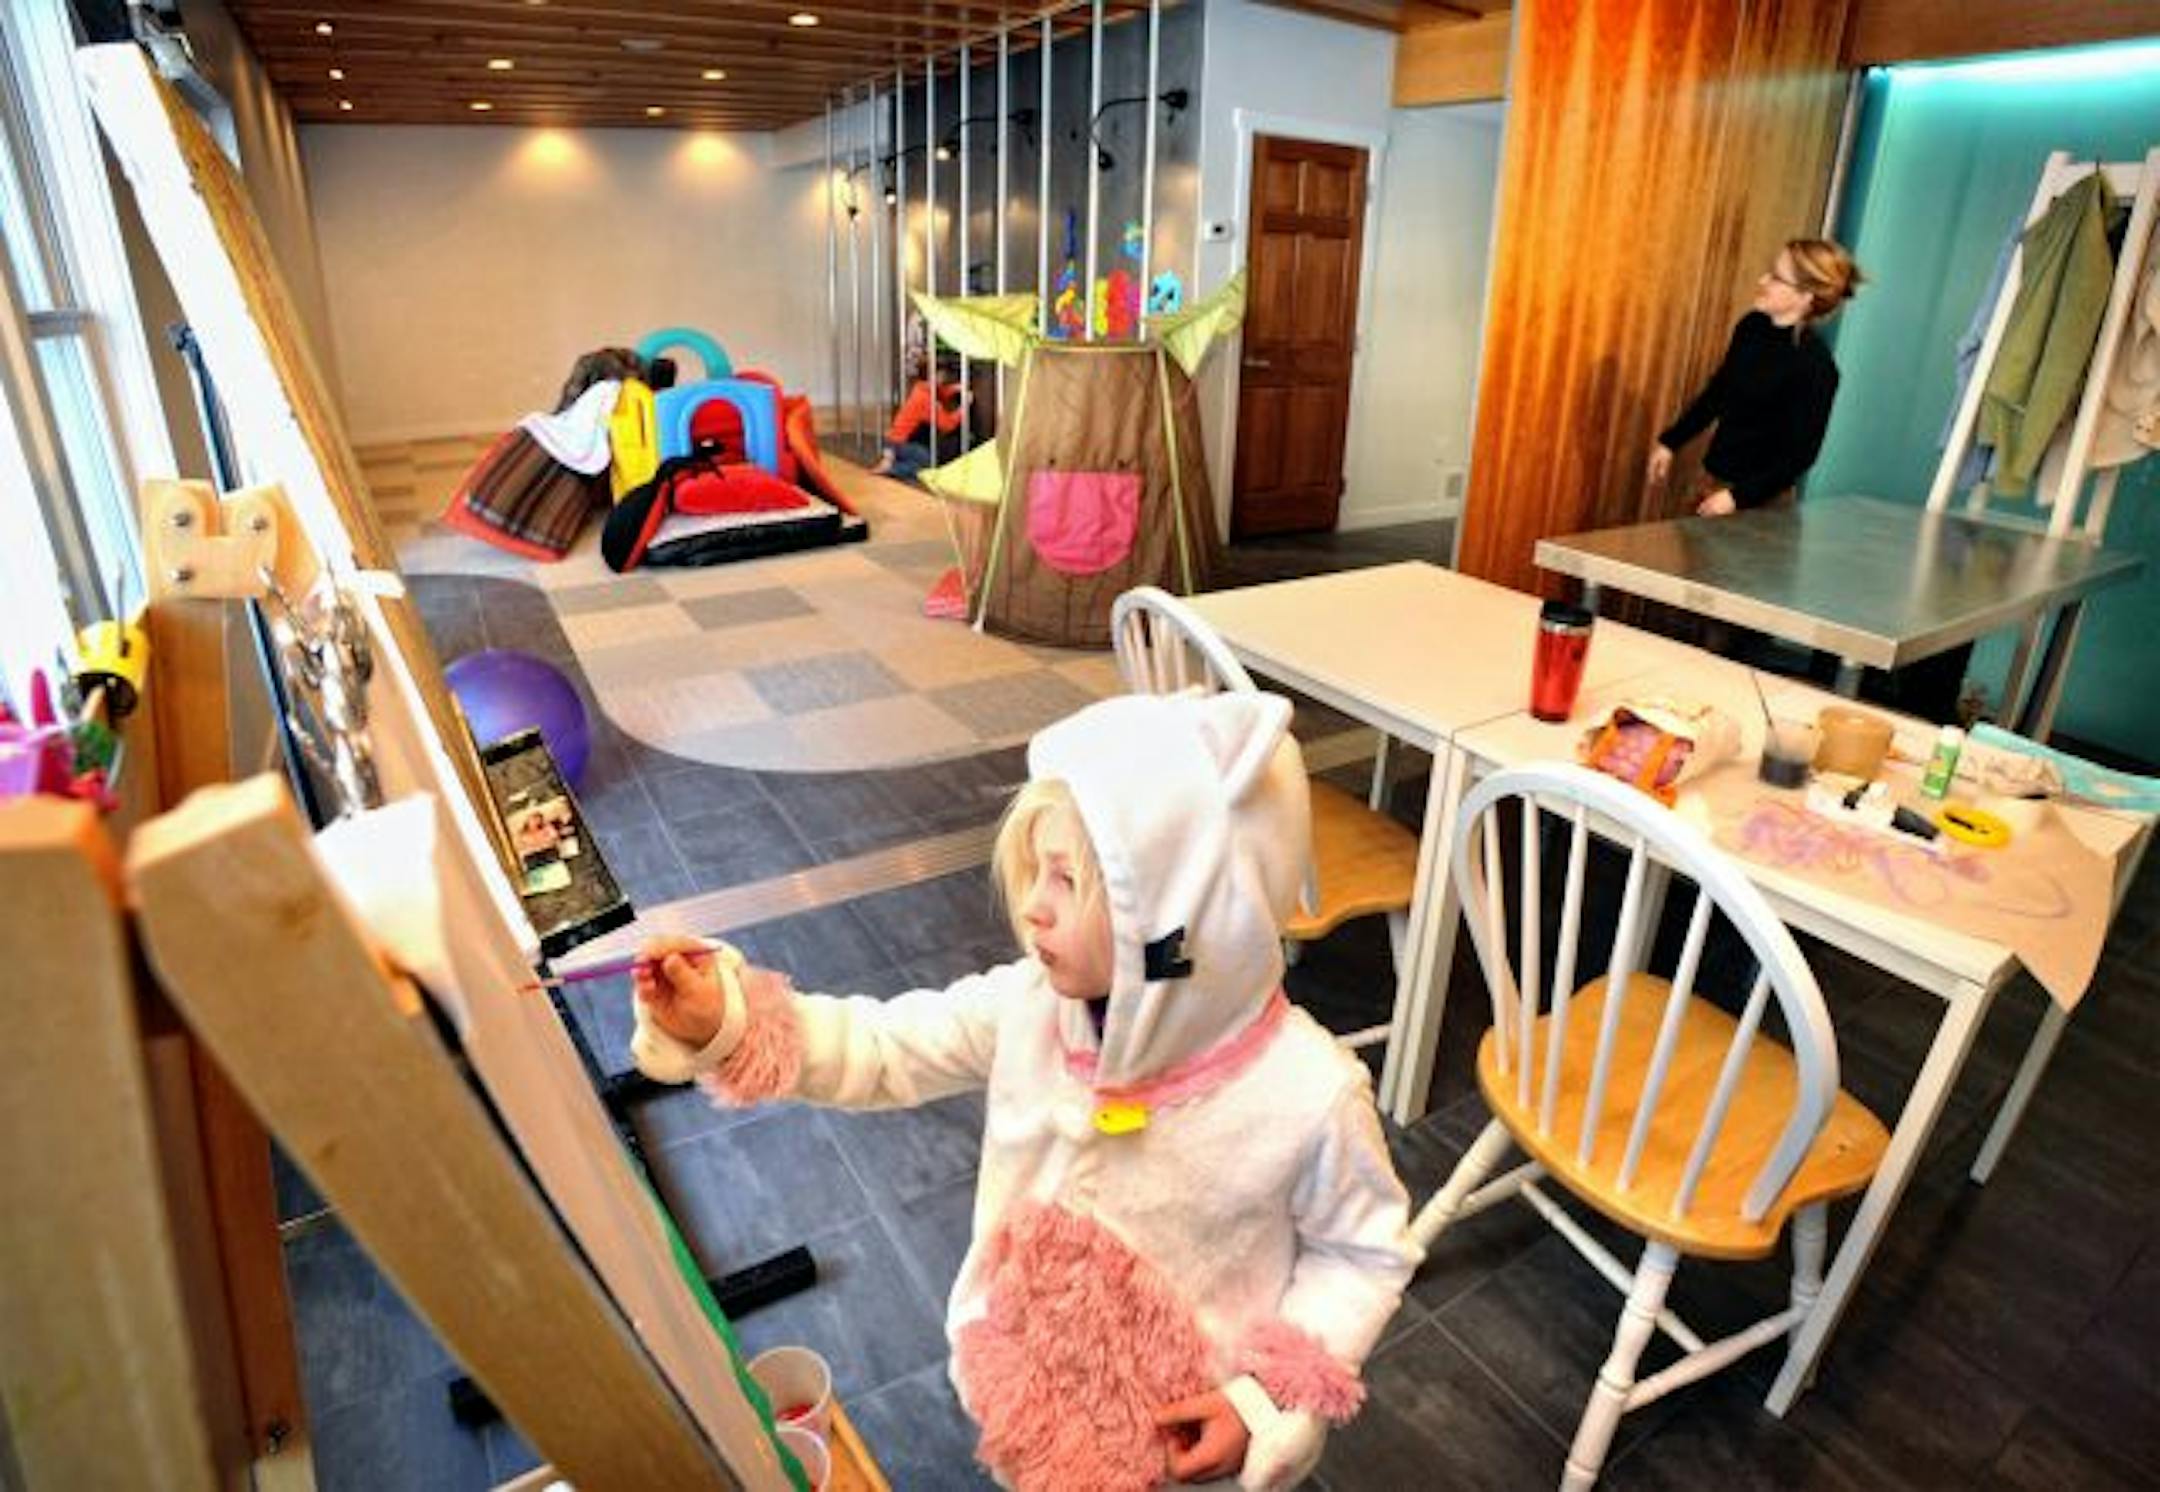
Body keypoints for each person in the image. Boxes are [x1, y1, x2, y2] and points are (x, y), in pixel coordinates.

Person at [628, 690, 1418, 1491]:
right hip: (1027, 1391)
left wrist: (1259, 1401)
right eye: (1036, 870)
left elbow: (1363, 1256)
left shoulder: (1306, 1093)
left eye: (1067, 880)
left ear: (1179, 928)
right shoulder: (1032, 1008)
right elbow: (885, 1046)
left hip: (1187, 1449)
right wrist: (728, 1022)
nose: (1033, 907)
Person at [1647, 238, 1865, 516]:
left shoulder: (1815, 367)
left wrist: (1737, 498)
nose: (1763, 280)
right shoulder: (1751, 327)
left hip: (1759, 504)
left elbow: (1800, 455)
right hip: (1711, 480)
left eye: (1776, 277)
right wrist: (1670, 442)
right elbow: (1719, 393)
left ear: (1805, 297)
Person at [870, 352, 970, 481]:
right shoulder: (925, 399)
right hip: (901, 443)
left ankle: (891, 459)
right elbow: (948, 424)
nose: (944, 377)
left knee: (925, 457)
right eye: (941, 374)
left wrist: (955, 388)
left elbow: (940, 392)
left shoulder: (921, 388)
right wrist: (964, 407)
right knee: (929, 464)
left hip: (895, 442)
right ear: (934, 375)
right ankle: (892, 468)